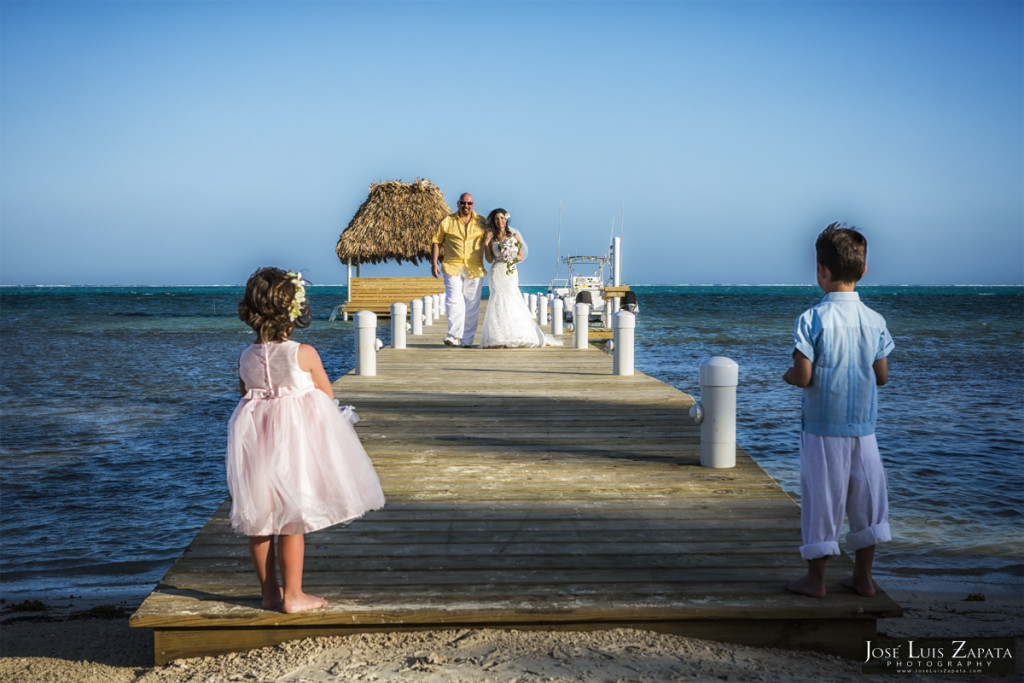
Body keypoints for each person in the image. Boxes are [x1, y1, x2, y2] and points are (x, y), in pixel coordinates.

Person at [226, 267, 386, 613]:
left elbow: (245, 395)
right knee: (291, 519)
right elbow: (325, 396)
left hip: (254, 443)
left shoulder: (245, 357)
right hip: (292, 447)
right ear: (293, 309)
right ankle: (294, 595)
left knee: (259, 519)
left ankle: (269, 594)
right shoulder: (304, 353)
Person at [782, 223, 894, 599]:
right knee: (868, 501)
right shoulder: (875, 321)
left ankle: (817, 580)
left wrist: (787, 375)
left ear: (821, 270)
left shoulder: (811, 319)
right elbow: (881, 376)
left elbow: (803, 375)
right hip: (864, 429)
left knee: (822, 501)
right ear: (863, 270)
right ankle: (863, 578)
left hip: (822, 429)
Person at [479, 208, 563, 348]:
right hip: (497, 272)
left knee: (512, 299)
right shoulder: (491, 238)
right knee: (498, 301)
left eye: (502, 218)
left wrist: (510, 257)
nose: (499, 221)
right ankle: (498, 338)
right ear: (493, 221)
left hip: (510, 273)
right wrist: (486, 245)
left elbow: (520, 256)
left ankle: (514, 335)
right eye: (496, 219)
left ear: (506, 219)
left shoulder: (515, 236)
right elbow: (489, 259)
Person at [431, 192, 488, 347]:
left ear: (473, 205)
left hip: (474, 267)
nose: (466, 206)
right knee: (453, 300)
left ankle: (468, 339)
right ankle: (454, 336)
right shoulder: (447, 221)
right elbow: (437, 241)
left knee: (472, 303)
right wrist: (434, 263)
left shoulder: (482, 222)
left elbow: (491, 239)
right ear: (458, 203)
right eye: (463, 203)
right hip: (452, 265)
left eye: (469, 203)